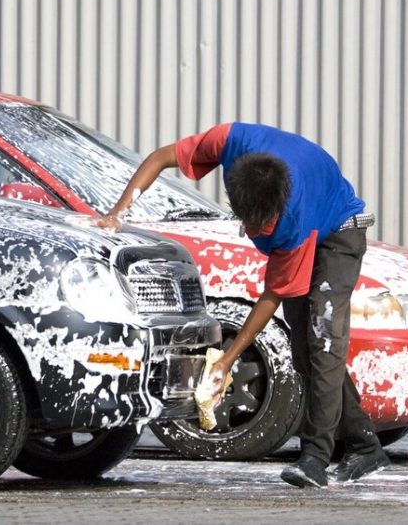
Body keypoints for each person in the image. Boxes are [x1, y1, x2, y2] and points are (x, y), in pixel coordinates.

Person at [95, 122, 390, 488]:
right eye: (246, 222)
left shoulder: (293, 216)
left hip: (339, 230)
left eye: (263, 225)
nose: (253, 232)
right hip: (310, 210)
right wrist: (116, 212)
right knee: (304, 350)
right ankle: (365, 447)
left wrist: (228, 357)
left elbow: (271, 295)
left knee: (323, 341)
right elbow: (159, 158)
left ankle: (314, 458)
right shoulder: (229, 141)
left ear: (278, 210)